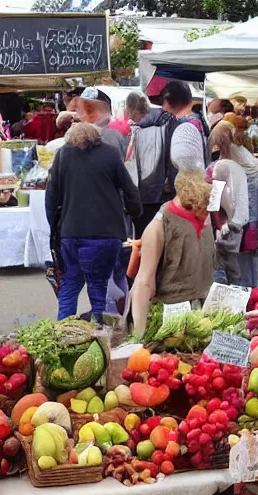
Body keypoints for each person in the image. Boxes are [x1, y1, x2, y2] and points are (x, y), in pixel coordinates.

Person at [45, 123, 141, 322]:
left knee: (70, 283)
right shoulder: (110, 154)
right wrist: (135, 212)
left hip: (71, 234)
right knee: (99, 287)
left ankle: (63, 331)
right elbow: (129, 189)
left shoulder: (63, 155)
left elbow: (51, 197)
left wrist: (54, 228)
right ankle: (99, 334)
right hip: (104, 234)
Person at [131, 172, 216, 337]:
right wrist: (139, 335)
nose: (203, 215)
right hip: (170, 318)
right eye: (197, 209)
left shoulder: (205, 215)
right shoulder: (158, 227)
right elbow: (143, 282)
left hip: (203, 314)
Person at [130, 81, 207, 237]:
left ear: (165, 102)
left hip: (145, 196)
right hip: (174, 196)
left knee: (148, 242)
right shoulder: (186, 126)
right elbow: (189, 166)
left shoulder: (137, 129)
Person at [209, 122, 258, 286]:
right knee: (248, 275)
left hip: (229, 234)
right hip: (249, 230)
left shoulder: (218, 169)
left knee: (230, 278)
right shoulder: (250, 165)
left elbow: (214, 206)